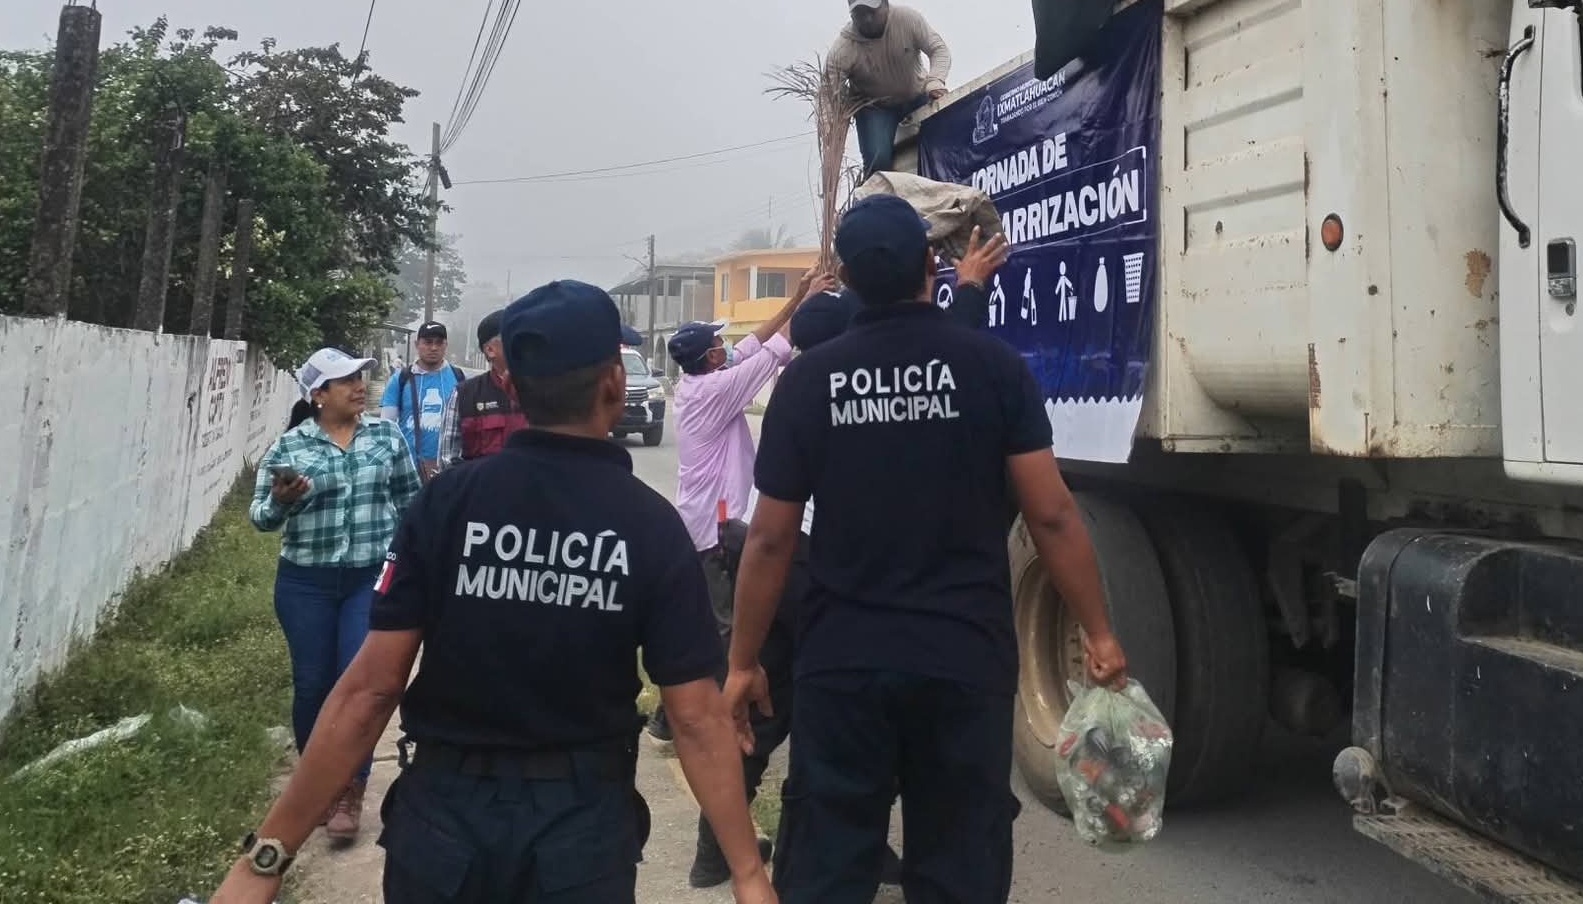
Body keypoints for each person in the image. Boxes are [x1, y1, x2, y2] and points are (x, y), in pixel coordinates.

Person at [210, 281, 777, 904]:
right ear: (615, 383)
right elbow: (694, 718)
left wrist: (265, 859)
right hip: (581, 838)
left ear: (509, 385)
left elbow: (369, 690)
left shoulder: (447, 503)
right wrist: (748, 875)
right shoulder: (651, 526)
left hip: (442, 829)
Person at [725, 197, 1127, 903]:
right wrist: (1098, 632)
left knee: (827, 863)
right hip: (962, 660)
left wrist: (742, 662)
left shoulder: (810, 382)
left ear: (848, 279)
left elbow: (769, 538)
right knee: (961, 861)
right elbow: (1053, 515)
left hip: (844, 664)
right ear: (928, 267)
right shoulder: (992, 367)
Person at [658, 268, 832, 887]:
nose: (725, 346)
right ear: (708, 358)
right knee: (743, 660)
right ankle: (718, 827)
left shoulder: (709, 377)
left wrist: (799, 295)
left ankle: (716, 825)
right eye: (717, 343)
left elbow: (758, 341)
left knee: (757, 671)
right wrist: (810, 308)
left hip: (738, 537)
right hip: (727, 541)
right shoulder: (714, 392)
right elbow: (776, 350)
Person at [249, 346, 421, 843]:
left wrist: (413, 565)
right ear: (319, 395)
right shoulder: (290, 447)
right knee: (312, 685)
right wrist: (281, 502)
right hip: (306, 583)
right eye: (346, 381)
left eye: (360, 378)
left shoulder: (386, 437)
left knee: (359, 684)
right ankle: (317, 784)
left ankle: (350, 788)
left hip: (368, 580)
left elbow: (412, 503)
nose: (358, 387)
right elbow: (260, 518)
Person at [825, 0, 952, 176]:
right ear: (851, 15)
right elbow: (830, 95)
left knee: (944, 133)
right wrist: (832, 127)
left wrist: (935, 80)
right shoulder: (843, 49)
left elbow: (939, 50)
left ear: (885, 4)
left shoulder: (907, 19)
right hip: (875, 109)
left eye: (872, 12)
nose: (867, 19)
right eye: (860, 14)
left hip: (916, 94)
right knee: (877, 161)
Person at [435, 310, 525, 470]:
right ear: (490, 350)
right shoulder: (464, 395)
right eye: (513, 337)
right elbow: (447, 461)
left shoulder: (546, 390)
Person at [380, 320, 465, 480]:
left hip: (450, 472)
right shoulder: (400, 379)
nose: (433, 348)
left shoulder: (459, 378)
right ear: (416, 344)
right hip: (408, 471)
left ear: (445, 345)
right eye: (428, 342)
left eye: (439, 343)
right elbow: (386, 428)